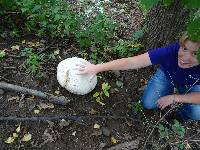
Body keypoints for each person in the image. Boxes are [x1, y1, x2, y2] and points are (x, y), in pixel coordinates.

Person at [76, 34, 200, 121]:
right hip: (168, 76)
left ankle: (180, 116)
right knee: (148, 103)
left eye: (195, 54)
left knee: (197, 112)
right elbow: (132, 62)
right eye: (184, 48)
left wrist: (175, 98)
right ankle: (168, 91)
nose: (185, 57)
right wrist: (96, 68)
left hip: (192, 85)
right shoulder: (170, 52)